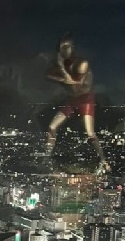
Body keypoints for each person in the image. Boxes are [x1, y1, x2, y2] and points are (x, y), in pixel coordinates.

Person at [45, 32, 110, 173]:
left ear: (72, 47)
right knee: (52, 127)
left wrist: (61, 69)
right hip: (72, 100)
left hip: (86, 100)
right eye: (61, 48)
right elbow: (49, 75)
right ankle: (46, 159)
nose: (63, 51)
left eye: (66, 47)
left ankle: (104, 161)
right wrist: (62, 74)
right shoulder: (65, 64)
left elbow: (75, 85)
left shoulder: (82, 64)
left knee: (90, 133)